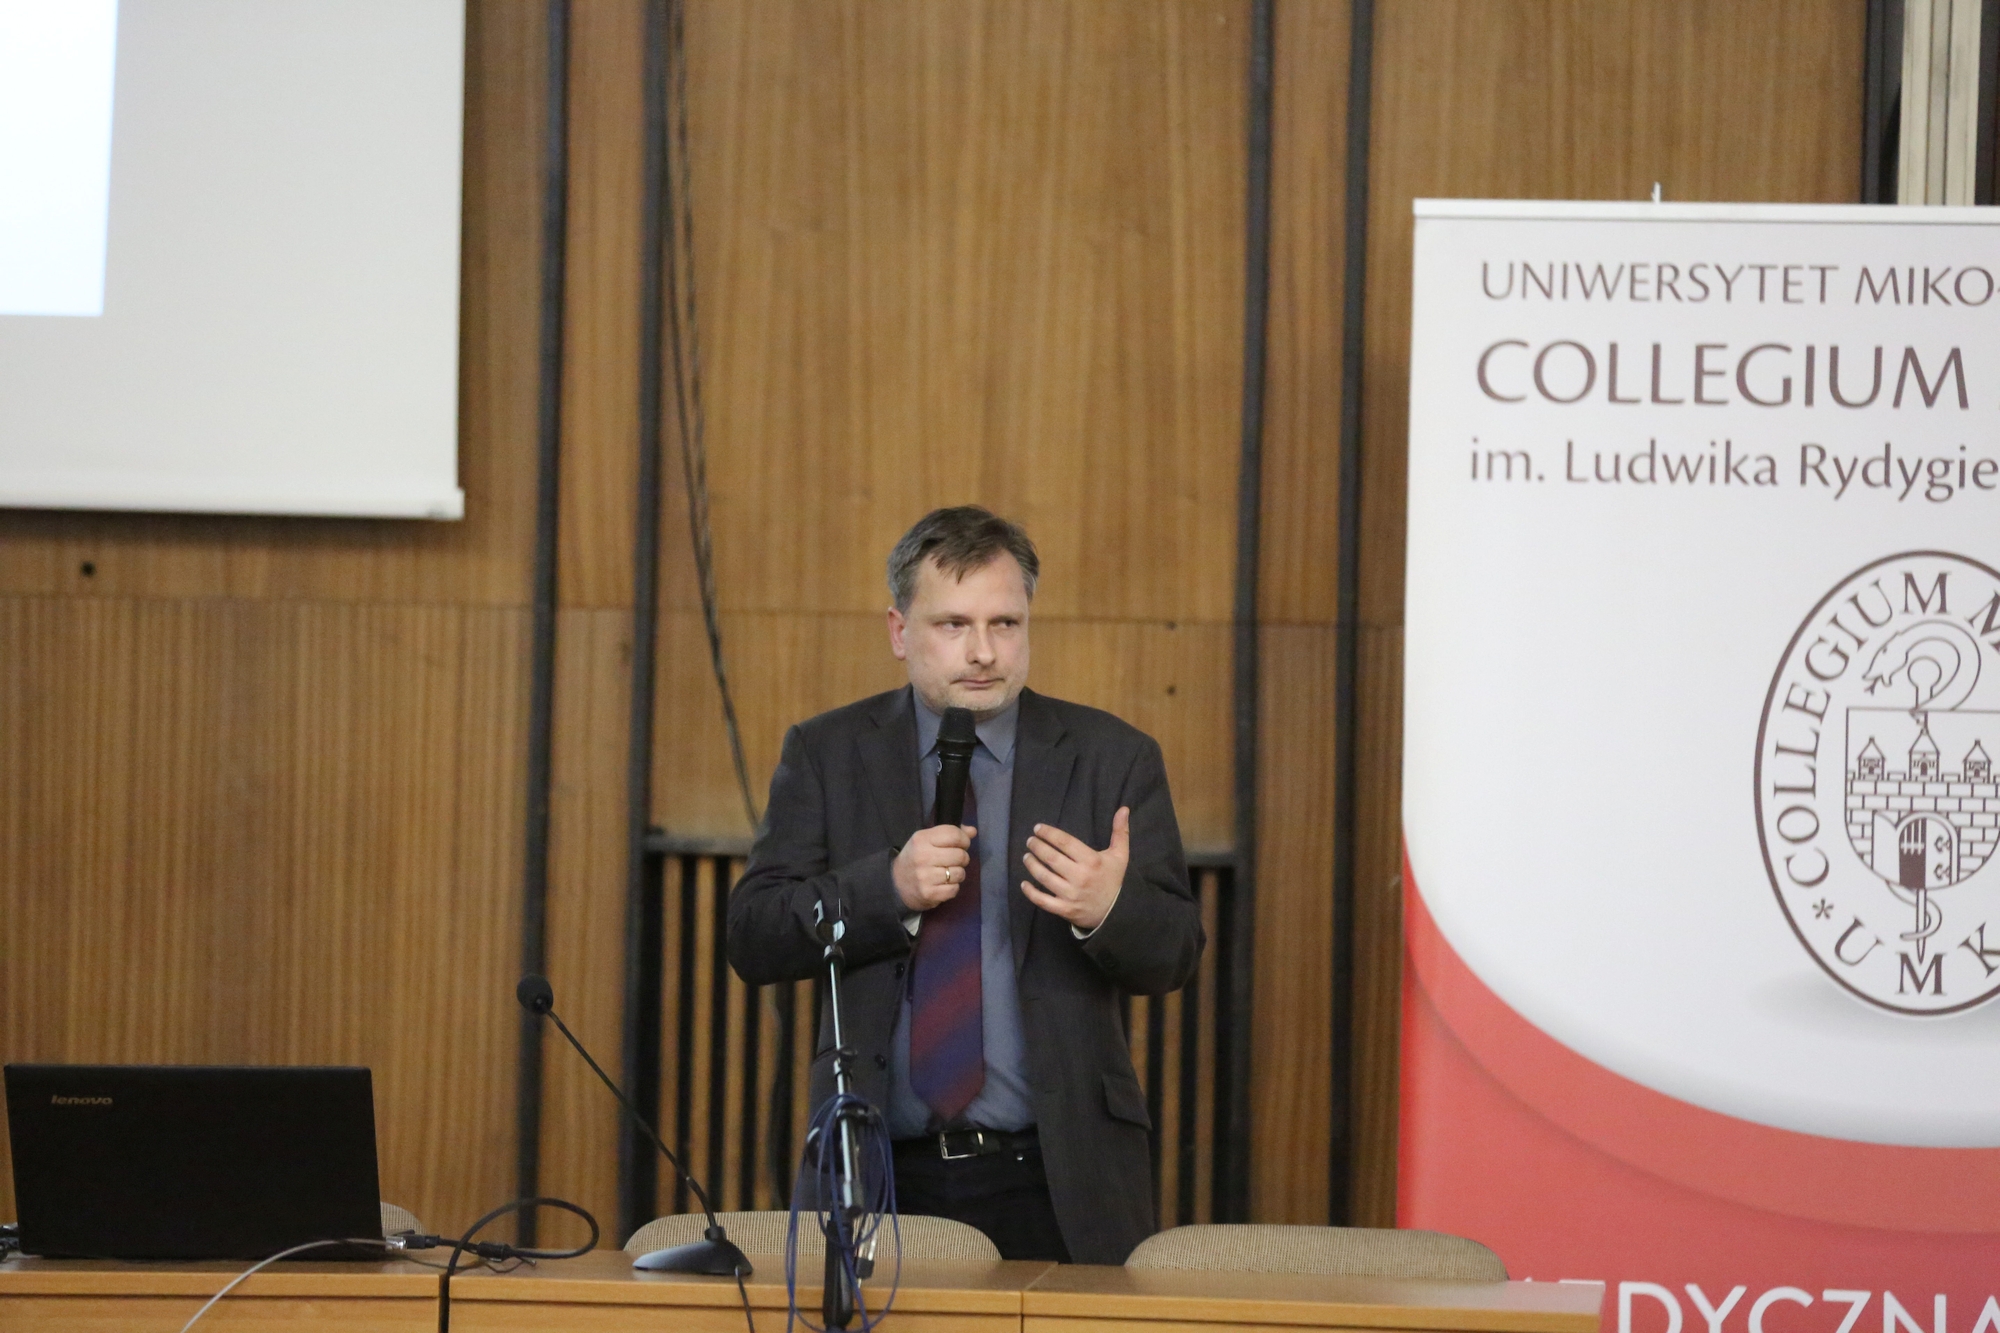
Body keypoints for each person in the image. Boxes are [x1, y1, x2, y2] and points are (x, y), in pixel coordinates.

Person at [726, 506, 1203, 1264]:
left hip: (1058, 1176)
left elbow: (1175, 952)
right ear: (899, 631)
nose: (983, 652)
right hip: (877, 1171)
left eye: (1005, 624)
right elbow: (753, 935)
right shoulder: (827, 752)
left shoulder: (1111, 757)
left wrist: (1109, 909)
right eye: (953, 624)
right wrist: (885, 889)